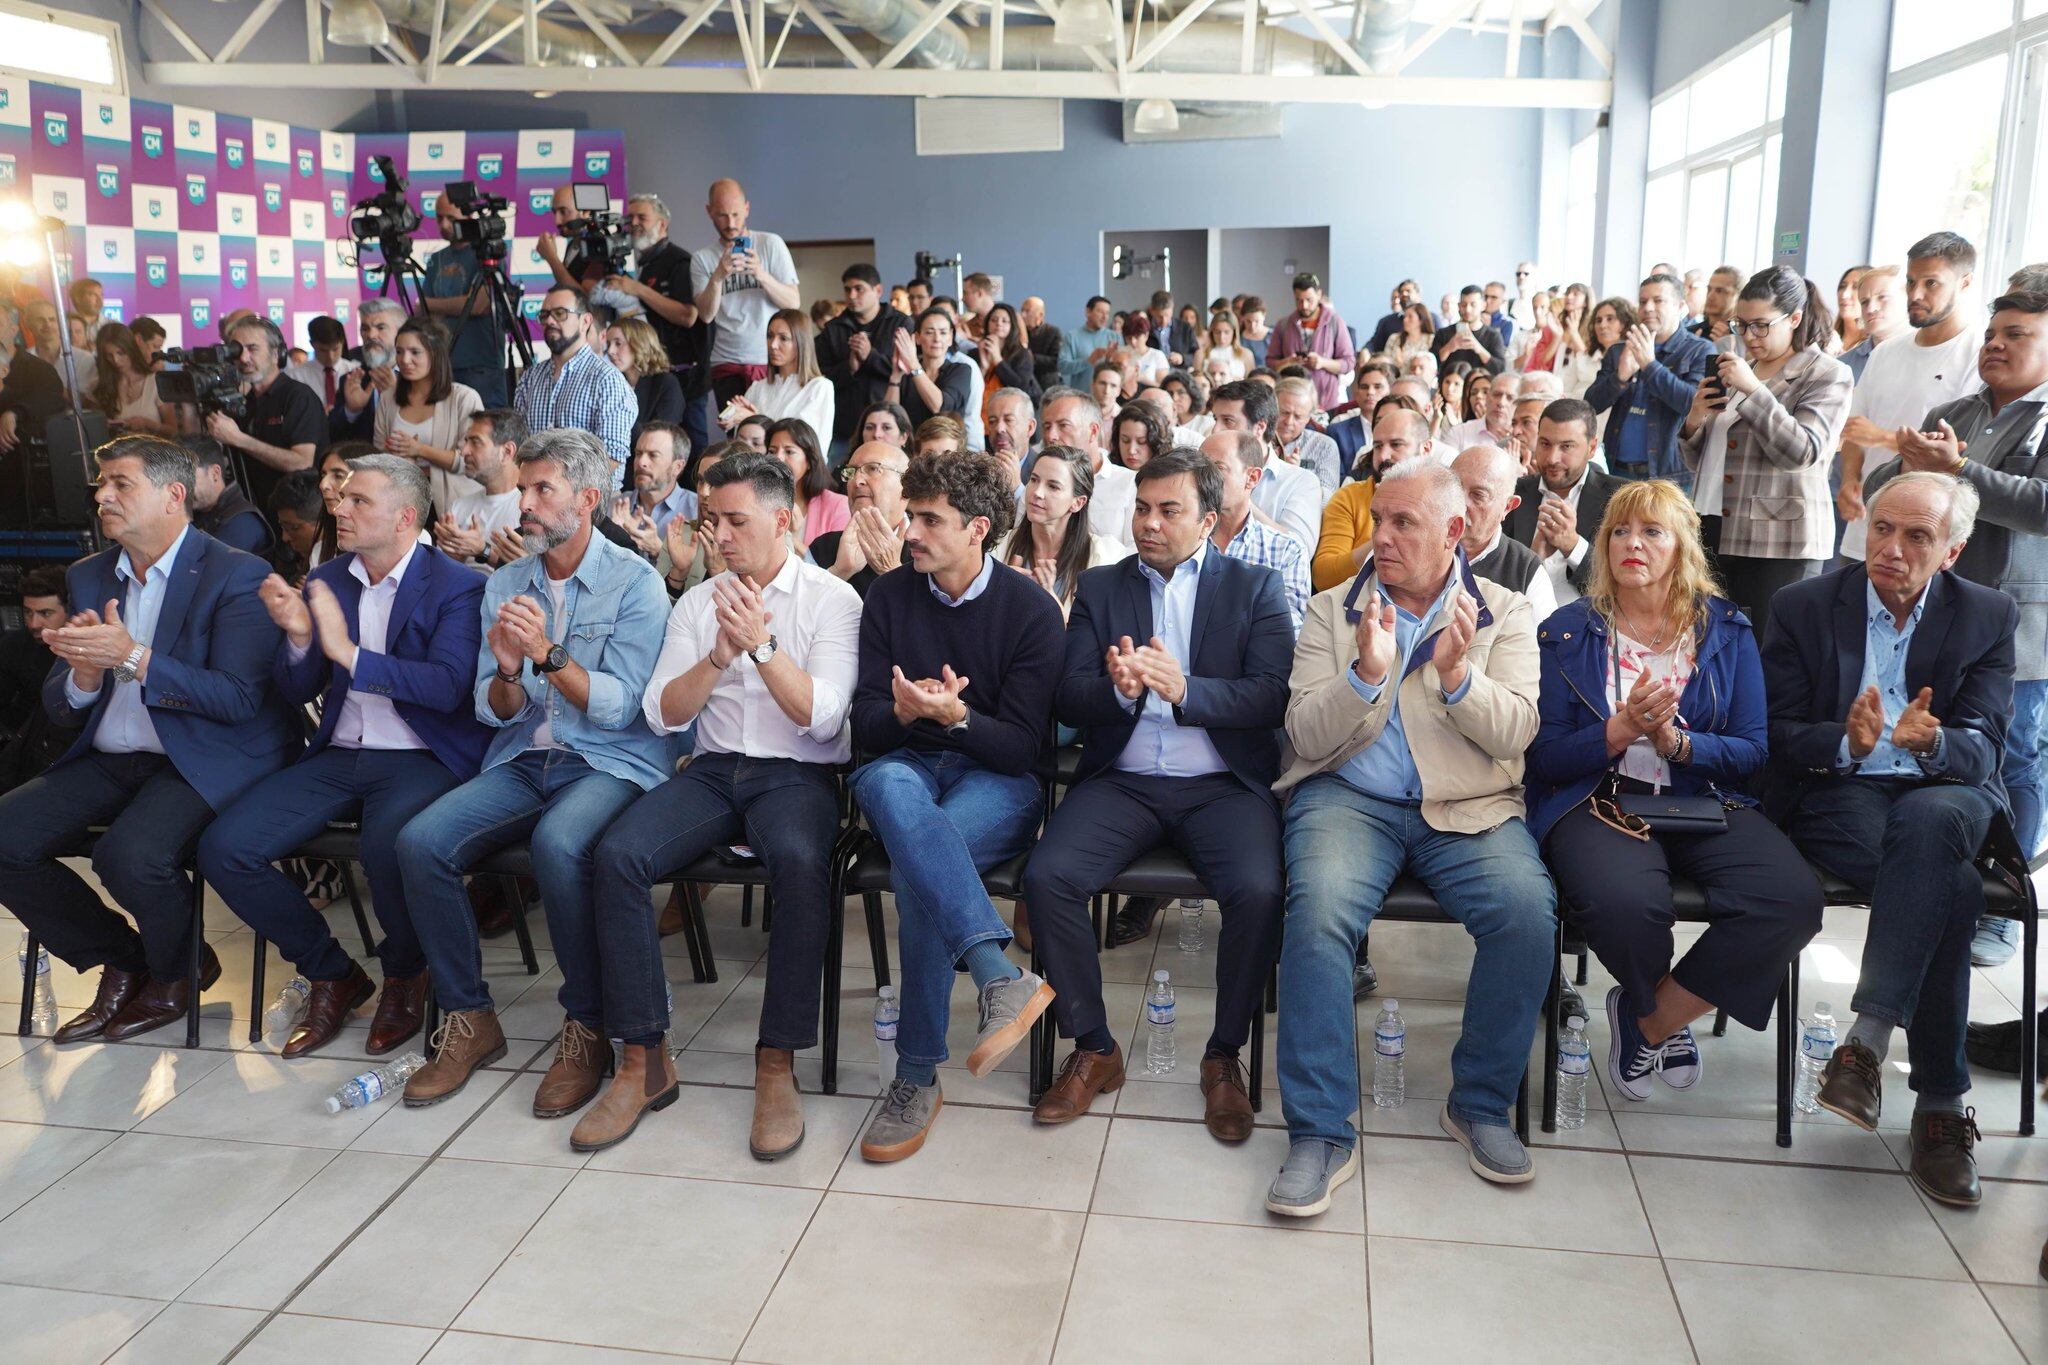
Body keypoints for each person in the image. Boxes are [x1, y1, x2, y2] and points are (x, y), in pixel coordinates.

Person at [1268, 459, 1553, 1212]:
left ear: (1455, 531)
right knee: (1318, 914)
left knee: (1526, 914)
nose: (1379, 537)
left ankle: (1481, 1103)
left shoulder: (1505, 610)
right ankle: (1320, 1129)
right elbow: (1302, 729)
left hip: (1467, 806)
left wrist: (1458, 678)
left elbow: (1517, 731)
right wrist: (1364, 673)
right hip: (1348, 797)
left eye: (1402, 523)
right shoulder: (1335, 608)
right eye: (1377, 519)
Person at [577, 449, 862, 1154]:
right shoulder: (701, 601)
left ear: (783, 519)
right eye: (713, 521)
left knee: (801, 860)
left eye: (737, 521)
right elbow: (663, 714)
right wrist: (718, 656)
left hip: (797, 774)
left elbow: (823, 718)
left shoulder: (834, 599)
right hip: (711, 770)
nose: (722, 536)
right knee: (616, 854)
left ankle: (776, 1061)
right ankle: (643, 1056)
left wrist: (762, 646)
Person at [397, 428, 673, 1112]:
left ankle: (587, 1024)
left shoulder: (636, 581)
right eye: (522, 488)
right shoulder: (509, 583)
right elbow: (494, 709)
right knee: (420, 841)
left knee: (558, 844)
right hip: (527, 756)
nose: (525, 503)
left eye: (541, 489)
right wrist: (512, 671)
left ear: (586, 499)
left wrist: (547, 652)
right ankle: (470, 1016)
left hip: (611, 761)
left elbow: (622, 707)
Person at [1023, 446, 1292, 1137]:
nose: (1148, 522)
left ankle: (1223, 1055)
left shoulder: (1253, 587)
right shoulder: (1104, 586)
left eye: (1168, 509)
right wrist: (1115, 690)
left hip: (1220, 784)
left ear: (1208, 518)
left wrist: (1187, 690)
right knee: (1048, 876)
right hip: (1126, 779)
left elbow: (1272, 697)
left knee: (1261, 889)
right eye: (1141, 507)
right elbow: (1069, 693)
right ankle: (1094, 1046)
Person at [1765, 473, 2015, 1209]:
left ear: (1953, 551)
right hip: (1842, 790)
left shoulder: (1988, 613)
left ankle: (1866, 1046)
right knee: (1952, 886)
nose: (1893, 549)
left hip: (1945, 794)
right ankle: (1940, 1108)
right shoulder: (1803, 605)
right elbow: (1776, 737)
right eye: (1882, 529)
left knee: (1932, 825)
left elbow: (1988, 749)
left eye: (1917, 537)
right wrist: (1845, 741)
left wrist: (1935, 742)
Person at [1527, 478, 1820, 1100]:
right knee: (1629, 904)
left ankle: (1653, 1018)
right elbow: (1546, 758)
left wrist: (1680, 745)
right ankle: (1656, 1006)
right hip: (1598, 799)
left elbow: (1751, 751)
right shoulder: (1566, 631)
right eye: (1619, 532)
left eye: (1652, 531)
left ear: (1684, 545)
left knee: (1791, 898)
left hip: (1705, 797)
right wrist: (1620, 730)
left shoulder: (1728, 631)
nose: (1632, 543)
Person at [0, 436, 298, 1042]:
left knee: (129, 856)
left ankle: (173, 975)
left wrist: (133, 657)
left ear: (173, 494)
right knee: (5, 838)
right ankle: (132, 959)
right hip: (112, 754)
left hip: (201, 757)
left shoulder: (238, 572)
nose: (102, 496)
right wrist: (84, 673)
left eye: (120, 483)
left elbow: (238, 699)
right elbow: (61, 706)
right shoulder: (87, 575)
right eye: (100, 484)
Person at [198, 454, 488, 1056]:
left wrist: (347, 652)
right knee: (225, 849)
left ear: (406, 516)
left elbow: (447, 687)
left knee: (386, 849)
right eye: (342, 497)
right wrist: (302, 638)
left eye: (359, 500)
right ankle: (331, 972)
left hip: (422, 754)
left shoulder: (460, 585)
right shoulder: (328, 578)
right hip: (340, 751)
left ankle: (405, 975)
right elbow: (298, 689)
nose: (340, 506)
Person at [845, 452, 1064, 1162]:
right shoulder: (888, 597)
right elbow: (864, 725)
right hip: (909, 765)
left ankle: (914, 1078)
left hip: (996, 779)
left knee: (918, 874)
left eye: (929, 519)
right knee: (880, 784)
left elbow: (1025, 748)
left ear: (978, 529)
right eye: (911, 515)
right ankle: (999, 975)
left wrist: (959, 718)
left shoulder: (1031, 610)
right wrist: (912, 715)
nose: (911, 531)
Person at [1867, 289, 2048, 968]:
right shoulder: (1956, 411)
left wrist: (1960, 469)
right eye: (1993, 333)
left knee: (2018, 756)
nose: (1996, 344)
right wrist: (1911, 460)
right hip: (1936, 613)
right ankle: (1947, 878)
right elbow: (1893, 487)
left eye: (2017, 334)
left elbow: (2040, 507)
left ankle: (2006, 903)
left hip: (2023, 619)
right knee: (1935, 742)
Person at [1680, 267, 1852, 632]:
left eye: (1761, 325)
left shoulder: (1826, 373)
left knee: (1765, 654)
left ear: (1794, 318)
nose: (1749, 336)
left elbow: (1804, 451)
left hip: (1778, 541)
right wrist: (1696, 419)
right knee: (1710, 645)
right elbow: (1700, 461)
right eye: (1741, 325)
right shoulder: (1739, 368)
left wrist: (1755, 391)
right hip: (1711, 525)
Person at [1839, 234, 1982, 564]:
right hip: (1865, 526)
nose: (1916, 294)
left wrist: (1883, 438)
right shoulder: (1887, 351)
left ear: (1964, 283)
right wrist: (1849, 480)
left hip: (1925, 539)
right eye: (1911, 281)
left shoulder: (1977, 354)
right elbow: (1855, 432)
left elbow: (1958, 452)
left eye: (1931, 283)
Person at [1587, 273, 1715, 489]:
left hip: (1670, 475)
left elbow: (1692, 404)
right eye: (1643, 301)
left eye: (1658, 300)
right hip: (1617, 469)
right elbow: (1591, 404)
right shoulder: (1620, 350)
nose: (1648, 308)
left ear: (1679, 306)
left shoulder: (1699, 350)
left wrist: (1649, 365)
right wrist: (1620, 377)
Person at [692, 178, 801, 411]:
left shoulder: (770, 244)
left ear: (747, 209)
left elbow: (793, 302)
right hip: (727, 362)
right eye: (722, 215)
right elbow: (706, 315)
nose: (730, 223)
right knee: (737, 436)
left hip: (772, 359)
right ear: (709, 211)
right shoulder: (702, 258)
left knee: (773, 430)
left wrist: (761, 274)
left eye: (736, 214)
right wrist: (719, 275)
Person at [1505, 397, 1623, 610]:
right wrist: (1533, 560)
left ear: (1592, 447)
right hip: (1519, 626)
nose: (1552, 458)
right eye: (1545, 444)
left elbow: (1622, 586)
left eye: (1566, 446)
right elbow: (1493, 578)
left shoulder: (1619, 498)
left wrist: (1573, 546)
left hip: (1591, 630)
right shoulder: (1512, 493)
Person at [206, 314, 326, 516]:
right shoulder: (246, 402)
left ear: (276, 353)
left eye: (253, 348)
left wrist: (239, 439)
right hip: (256, 512)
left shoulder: (298, 396)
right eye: (237, 350)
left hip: (298, 518)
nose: (244, 358)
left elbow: (302, 463)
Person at [514, 288, 637, 485]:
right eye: (544, 315)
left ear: (585, 321)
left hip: (590, 504)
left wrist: (563, 489)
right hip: (536, 498)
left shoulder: (607, 378)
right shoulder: (531, 377)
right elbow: (519, 444)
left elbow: (612, 456)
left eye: (560, 313)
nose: (550, 321)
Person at [1312, 402, 1432, 593]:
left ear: (1425, 449)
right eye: (1377, 446)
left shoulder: (1441, 501)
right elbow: (1324, 577)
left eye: (1396, 445)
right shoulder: (1350, 497)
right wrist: (1381, 540)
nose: (1383, 456)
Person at [997, 443, 1123, 618]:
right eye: (1034, 480)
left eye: (1053, 486)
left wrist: (1048, 598)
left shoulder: (1102, 557)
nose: (1037, 492)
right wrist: (999, 593)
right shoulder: (999, 546)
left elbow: (1092, 637)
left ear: (1078, 502)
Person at [375, 317, 484, 518]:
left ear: (435, 355)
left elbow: (471, 460)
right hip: (402, 501)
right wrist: (396, 455)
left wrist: (419, 450)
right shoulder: (388, 398)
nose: (405, 360)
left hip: (454, 507)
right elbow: (379, 453)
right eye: (399, 352)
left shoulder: (464, 398)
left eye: (415, 352)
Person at [1203, 429, 1311, 628]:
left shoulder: (1285, 550)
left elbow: (1287, 631)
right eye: (1200, 467)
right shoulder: (1184, 537)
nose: (1204, 478)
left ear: (1252, 477)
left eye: (1218, 468)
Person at [418, 191, 509, 407]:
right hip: (444, 361)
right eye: (439, 217)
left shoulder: (487, 255)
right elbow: (423, 309)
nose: (444, 224)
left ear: (469, 216)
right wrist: (448, 305)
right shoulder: (437, 258)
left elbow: (478, 305)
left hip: (481, 362)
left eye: (451, 218)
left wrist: (433, 305)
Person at [1209, 379, 1319, 550]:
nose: (1215, 429)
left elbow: (1301, 549)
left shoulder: (1300, 481)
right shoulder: (1202, 468)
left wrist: (1240, 501)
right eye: (1215, 419)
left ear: (1259, 427)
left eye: (1228, 421)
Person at [1453, 445, 1557, 624]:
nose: (1459, 503)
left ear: (1508, 507)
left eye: (1478, 495)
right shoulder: (1416, 543)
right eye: (1453, 488)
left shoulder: (1526, 572)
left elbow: (1543, 649)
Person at [601, 193, 701, 378]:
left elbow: (687, 316)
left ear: (662, 224)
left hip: (683, 375)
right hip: (655, 370)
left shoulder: (679, 261)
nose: (634, 223)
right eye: (630, 218)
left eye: (642, 217)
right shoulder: (644, 264)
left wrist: (637, 289)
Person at [817, 263, 912, 460]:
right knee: (841, 481)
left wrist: (871, 357)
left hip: (888, 426)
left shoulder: (900, 323)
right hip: (843, 428)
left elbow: (907, 370)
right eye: (847, 289)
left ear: (878, 290)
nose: (851, 295)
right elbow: (820, 378)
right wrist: (849, 368)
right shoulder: (833, 329)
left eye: (859, 289)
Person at [0, 566, 73, 792]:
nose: (33, 623)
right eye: (28, 612)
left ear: (70, 611)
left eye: (45, 613)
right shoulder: (14, 645)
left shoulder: (85, 651)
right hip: (23, 746)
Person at [724, 308, 834, 451]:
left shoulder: (819, 387)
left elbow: (808, 443)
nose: (773, 345)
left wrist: (754, 418)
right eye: (770, 336)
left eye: (783, 338)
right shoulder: (758, 387)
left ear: (801, 342)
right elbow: (743, 443)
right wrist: (733, 417)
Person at [1040, 387, 1137, 549]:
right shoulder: (1037, 483)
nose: (1051, 436)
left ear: (1093, 431)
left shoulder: (1129, 483)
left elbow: (1135, 551)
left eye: (1063, 425)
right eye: (1047, 426)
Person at [812, 439, 911, 597]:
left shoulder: (926, 550)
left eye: (873, 469)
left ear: (906, 487)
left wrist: (892, 571)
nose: (856, 481)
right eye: (851, 472)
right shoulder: (821, 548)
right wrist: (838, 572)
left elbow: (938, 620)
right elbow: (796, 615)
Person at [437, 409, 530, 565]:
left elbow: (534, 576)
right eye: (466, 442)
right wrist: (453, 556)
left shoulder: (530, 507)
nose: (464, 451)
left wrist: (483, 551)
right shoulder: (459, 506)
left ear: (507, 451)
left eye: (476, 442)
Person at [1266, 273, 1355, 411]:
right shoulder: (1283, 325)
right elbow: (1270, 363)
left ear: (1319, 294)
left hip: (1326, 404)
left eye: (1309, 300)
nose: (1304, 306)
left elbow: (1349, 363)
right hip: (1290, 402)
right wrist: (1287, 362)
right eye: (1299, 300)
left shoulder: (1335, 322)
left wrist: (1322, 363)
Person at [760, 415, 849, 551]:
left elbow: (836, 567)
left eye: (789, 451)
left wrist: (791, 537)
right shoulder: (758, 500)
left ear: (809, 461)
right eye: (772, 451)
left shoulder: (838, 505)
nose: (778, 458)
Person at [886, 306, 972, 436]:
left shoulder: (961, 370)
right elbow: (889, 416)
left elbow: (940, 407)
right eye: (929, 332)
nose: (937, 339)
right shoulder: (907, 373)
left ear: (950, 338)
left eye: (943, 333)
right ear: (918, 338)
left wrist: (914, 364)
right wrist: (895, 376)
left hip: (947, 450)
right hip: (911, 448)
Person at [185, 437, 273, 556]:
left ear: (214, 473)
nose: (182, 489)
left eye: (187, 479)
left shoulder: (242, 521)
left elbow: (209, 570)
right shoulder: (197, 513)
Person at [332, 299, 403, 444]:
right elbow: (332, 437)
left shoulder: (419, 379)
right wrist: (351, 411)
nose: (371, 335)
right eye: (365, 328)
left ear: (400, 332)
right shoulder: (351, 380)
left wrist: (396, 399)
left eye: (380, 327)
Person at [603, 316, 686, 438]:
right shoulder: (611, 383)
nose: (610, 351)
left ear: (640, 344)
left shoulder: (666, 383)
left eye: (618, 343)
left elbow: (660, 436)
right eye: (608, 344)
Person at [87, 323, 171, 436]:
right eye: (109, 355)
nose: (116, 360)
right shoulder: (99, 386)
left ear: (131, 349)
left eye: (120, 353)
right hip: (116, 451)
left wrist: (148, 424)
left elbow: (173, 430)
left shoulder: (156, 382)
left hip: (153, 451)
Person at [1838, 264, 1907, 383]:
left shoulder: (1928, 354)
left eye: (1882, 297)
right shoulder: (1843, 366)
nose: (1871, 309)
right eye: (1864, 302)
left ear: (1908, 299)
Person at [1273, 376, 1342, 494]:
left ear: (1308, 418)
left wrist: (1298, 476)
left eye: (1298, 416)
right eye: (1284, 412)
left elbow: (1328, 499)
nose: (1289, 422)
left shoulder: (1325, 446)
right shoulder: (1256, 440)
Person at [1328, 361, 1396, 480]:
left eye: (1377, 386)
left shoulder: (1401, 431)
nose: (1370, 392)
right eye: (1364, 387)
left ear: (1390, 391)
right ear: (1357, 394)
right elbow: (1334, 478)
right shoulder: (1337, 432)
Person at [976, 301, 1041, 414]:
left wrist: (997, 359)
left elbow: (1020, 387)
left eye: (1005, 321)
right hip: (980, 414)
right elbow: (969, 388)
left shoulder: (1022, 354)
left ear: (1012, 326)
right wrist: (983, 368)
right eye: (994, 320)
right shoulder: (975, 352)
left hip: (1010, 413)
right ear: (987, 323)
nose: (999, 324)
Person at [285, 316, 360, 413]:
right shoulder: (295, 376)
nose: (330, 356)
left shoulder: (355, 371)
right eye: (323, 350)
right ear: (312, 344)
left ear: (342, 343)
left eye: (335, 349)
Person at [1433, 286, 1508, 377]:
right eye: (1464, 305)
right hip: (1448, 387)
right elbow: (1432, 364)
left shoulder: (1493, 335)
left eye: (1473, 305)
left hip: (1479, 387)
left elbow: (1500, 368)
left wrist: (1478, 348)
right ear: (1459, 306)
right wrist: (1449, 347)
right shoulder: (1443, 333)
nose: (1468, 310)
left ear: (1483, 305)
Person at [1444, 370, 1519, 454]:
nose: (1501, 402)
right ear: (1487, 397)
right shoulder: (1460, 432)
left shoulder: (1522, 441)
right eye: (1496, 394)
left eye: (1510, 398)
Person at [1058, 295, 1119, 390]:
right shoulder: (1072, 336)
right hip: (1081, 397)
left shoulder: (1115, 337)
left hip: (1108, 396)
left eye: (1107, 313)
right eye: (1100, 312)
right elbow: (1062, 367)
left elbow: (1122, 370)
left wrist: (1112, 360)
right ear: (1088, 312)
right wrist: (1088, 361)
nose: (1104, 317)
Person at [985, 386, 1037, 492]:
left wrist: (1017, 489)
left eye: (1009, 420)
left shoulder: (1044, 470)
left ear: (1030, 427)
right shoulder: (980, 467)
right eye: (992, 421)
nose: (999, 429)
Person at [1689, 265, 1744, 347]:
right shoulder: (1690, 334)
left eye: (1720, 291)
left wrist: (1726, 346)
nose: (1710, 296)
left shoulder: (1744, 338)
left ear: (1738, 295)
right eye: (1709, 289)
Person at [1111, 400, 1171, 472]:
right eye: (1125, 440)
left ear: (1157, 443)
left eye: (1142, 442)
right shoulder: (1107, 472)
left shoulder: (1172, 478)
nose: (1131, 451)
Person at [1197, 313, 1255, 383]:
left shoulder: (1246, 354)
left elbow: (1251, 383)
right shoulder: (1200, 354)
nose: (1222, 337)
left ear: (1234, 332)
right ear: (1211, 332)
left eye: (1226, 332)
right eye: (1217, 332)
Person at [1147, 289, 1198, 366]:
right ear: (1152, 311)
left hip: (1180, 371)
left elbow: (1195, 354)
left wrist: (1182, 358)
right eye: (1159, 317)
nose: (1164, 321)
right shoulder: (1146, 329)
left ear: (1172, 309)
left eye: (1167, 315)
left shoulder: (1185, 328)